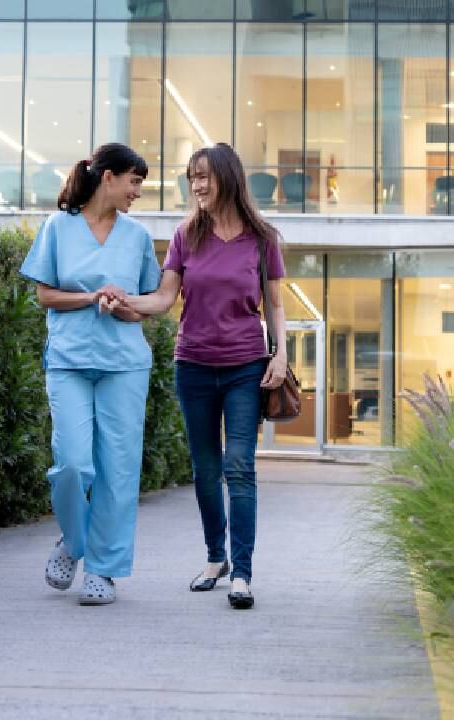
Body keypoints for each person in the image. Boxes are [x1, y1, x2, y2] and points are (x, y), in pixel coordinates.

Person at [119, 143, 287, 610]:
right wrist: (125, 303)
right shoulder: (185, 235)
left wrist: (281, 356)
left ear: (228, 178)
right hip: (192, 365)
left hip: (244, 367)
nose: (197, 185)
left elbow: (275, 304)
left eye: (205, 176)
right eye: (192, 177)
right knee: (206, 469)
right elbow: (163, 299)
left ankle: (243, 572)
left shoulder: (262, 239)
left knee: (239, 465)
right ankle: (216, 559)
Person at [19, 143, 161, 606]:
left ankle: (103, 570)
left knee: (118, 472)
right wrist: (89, 297)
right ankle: (74, 544)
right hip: (70, 361)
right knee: (73, 464)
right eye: (134, 181)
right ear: (107, 178)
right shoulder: (58, 229)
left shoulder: (137, 237)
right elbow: (44, 295)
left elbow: (144, 309)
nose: (138, 191)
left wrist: (122, 306)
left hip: (124, 363)